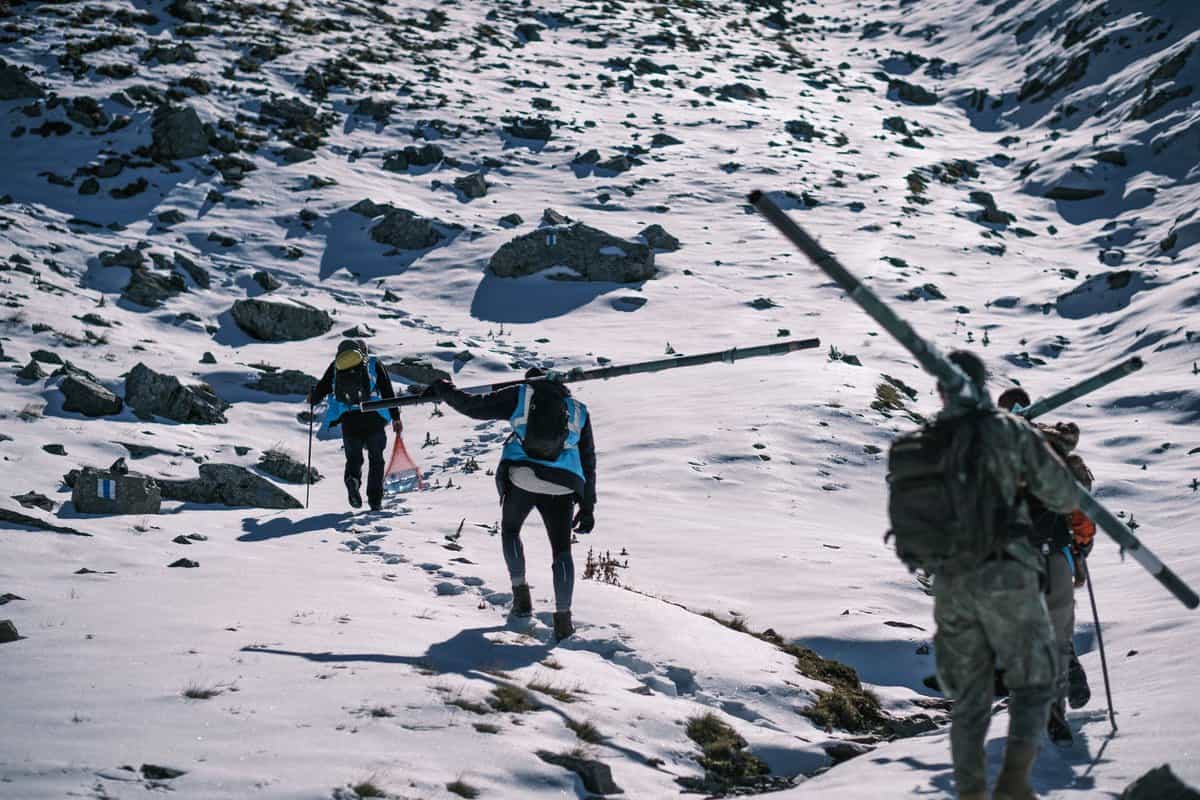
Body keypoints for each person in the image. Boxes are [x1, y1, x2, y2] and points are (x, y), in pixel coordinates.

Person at [888, 352, 1079, 800]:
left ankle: (972, 792)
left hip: (952, 580)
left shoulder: (922, 442)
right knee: (1034, 681)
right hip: (1008, 571)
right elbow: (1063, 495)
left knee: (969, 700)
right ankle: (1014, 782)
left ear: (941, 390)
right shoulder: (1008, 432)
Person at [425, 368, 596, 641]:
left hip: (523, 479)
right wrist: (588, 506)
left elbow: (472, 406)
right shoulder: (578, 410)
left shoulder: (521, 395)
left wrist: (443, 388)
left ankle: (521, 599)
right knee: (562, 551)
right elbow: (588, 460)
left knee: (511, 531)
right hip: (563, 485)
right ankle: (563, 620)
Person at [997, 387, 1095, 745]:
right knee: (1057, 630)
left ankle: (1045, 702)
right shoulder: (1054, 448)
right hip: (1055, 551)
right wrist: (1082, 547)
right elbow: (1080, 503)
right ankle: (1059, 692)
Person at [306, 339, 402, 512]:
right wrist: (395, 417)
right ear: (363, 351)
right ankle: (375, 501)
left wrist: (313, 396)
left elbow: (318, 393)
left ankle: (353, 481)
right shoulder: (373, 363)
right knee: (376, 460)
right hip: (374, 416)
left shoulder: (336, 367)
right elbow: (387, 391)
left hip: (349, 420)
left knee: (354, 459)